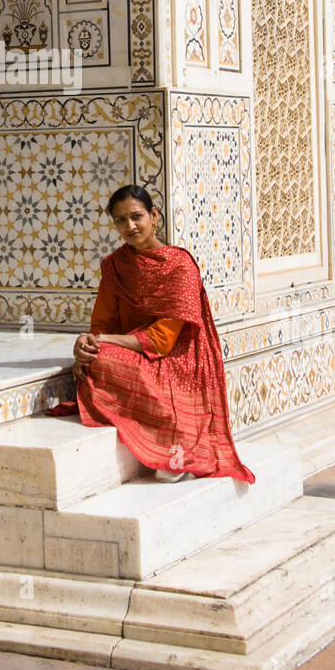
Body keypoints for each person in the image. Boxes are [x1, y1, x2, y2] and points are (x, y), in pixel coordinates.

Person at [66, 185, 255, 484]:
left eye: (136, 216)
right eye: (120, 220)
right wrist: (88, 345)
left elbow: (163, 339)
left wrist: (103, 341)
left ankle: (174, 448)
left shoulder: (179, 265)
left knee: (104, 357)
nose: (129, 226)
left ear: (154, 215)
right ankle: (159, 440)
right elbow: (103, 323)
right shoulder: (115, 266)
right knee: (97, 360)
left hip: (179, 358)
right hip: (135, 353)